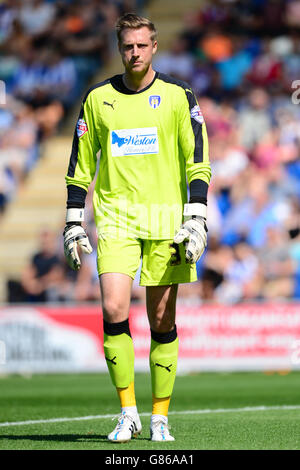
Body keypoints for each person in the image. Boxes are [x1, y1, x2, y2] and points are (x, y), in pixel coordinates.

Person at [63, 13, 211, 442]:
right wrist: (74, 220)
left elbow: (197, 160)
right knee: (113, 308)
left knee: (162, 318)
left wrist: (196, 214)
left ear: (154, 47)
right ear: (119, 48)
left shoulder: (179, 96)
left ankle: (159, 416)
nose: (135, 53)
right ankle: (127, 412)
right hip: (116, 219)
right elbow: (79, 167)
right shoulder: (97, 99)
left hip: (166, 218)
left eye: (142, 45)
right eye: (128, 46)